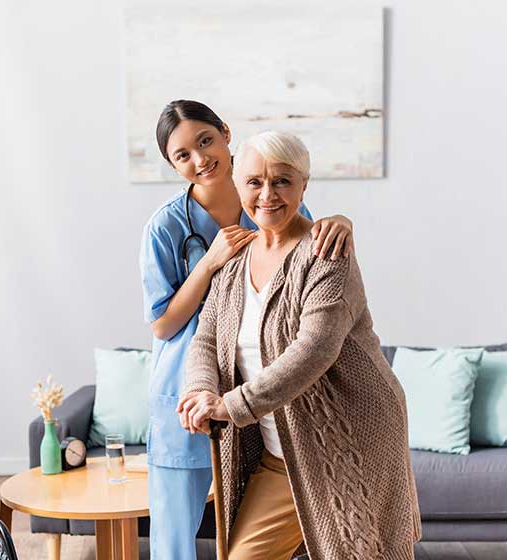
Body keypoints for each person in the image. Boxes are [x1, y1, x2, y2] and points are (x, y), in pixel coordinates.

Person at [178, 131, 421, 560]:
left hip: (349, 437)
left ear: (304, 186)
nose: (267, 194)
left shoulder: (327, 252)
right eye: (254, 182)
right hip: (280, 450)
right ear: (238, 185)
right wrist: (200, 390)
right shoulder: (234, 260)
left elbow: (314, 350)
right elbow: (206, 337)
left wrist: (232, 405)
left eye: (283, 181)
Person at [140, 101, 355, 559]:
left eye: (205, 141)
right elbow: (163, 324)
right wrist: (211, 263)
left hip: (261, 393)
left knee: (250, 526)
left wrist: (342, 221)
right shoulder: (165, 227)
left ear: (224, 133)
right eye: (182, 155)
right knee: (175, 538)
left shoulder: (266, 196)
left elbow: (313, 256)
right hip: (190, 390)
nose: (200, 159)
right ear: (172, 165)